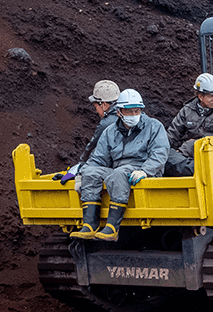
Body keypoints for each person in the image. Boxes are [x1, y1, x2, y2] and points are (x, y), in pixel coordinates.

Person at [70, 89, 169, 241]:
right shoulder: (110, 132)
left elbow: (160, 153)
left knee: (119, 173)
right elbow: (98, 158)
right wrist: (81, 174)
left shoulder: (154, 126)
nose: (134, 115)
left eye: (137, 111)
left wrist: (145, 170)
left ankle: (112, 228)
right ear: (118, 112)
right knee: (91, 172)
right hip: (118, 170)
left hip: (142, 169)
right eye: (129, 112)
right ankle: (90, 225)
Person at [164, 73, 213, 176]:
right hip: (188, 155)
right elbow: (172, 133)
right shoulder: (187, 111)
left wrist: (197, 144)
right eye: (211, 96)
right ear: (200, 96)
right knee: (169, 157)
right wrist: (159, 148)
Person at [56, 80, 120, 186]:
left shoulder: (107, 123)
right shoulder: (130, 115)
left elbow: (92, 147)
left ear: (104, 105)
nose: (96, 111)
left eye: (96, 107)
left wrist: (79, 166)